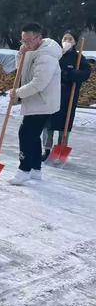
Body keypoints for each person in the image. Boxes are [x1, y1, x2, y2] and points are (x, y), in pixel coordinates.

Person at [9, 22, 61, 185]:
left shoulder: (46, 56)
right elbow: (21, 70)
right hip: (34, 100)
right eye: (23, 40)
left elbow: (39, 83)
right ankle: (35, 169)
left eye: (29, 40)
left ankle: (24, 169)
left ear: (39, 37)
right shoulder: (31, 49)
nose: (25, 44)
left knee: (25, 133)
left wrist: (17, 93)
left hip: (43, 101)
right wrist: (20, 54)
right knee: (32, 135)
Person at [42, 31, 91, 160]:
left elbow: (86, 73)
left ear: (74, 42)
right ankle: (47, 150)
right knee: (48, 123)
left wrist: (71, 74)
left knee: (65, 124)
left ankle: (60, 149)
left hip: (68, 96)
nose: (67, 41)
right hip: (52, 94)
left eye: (70, 39)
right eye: (65, 38)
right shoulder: (55, 54)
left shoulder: (79, 58)